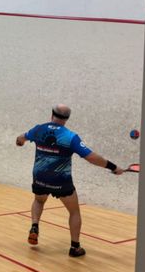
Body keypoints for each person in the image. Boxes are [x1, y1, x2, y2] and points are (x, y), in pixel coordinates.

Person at [16, 104, 124, 257]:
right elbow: (91, 157)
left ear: (51, 114)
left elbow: (20, 138)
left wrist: (20, 142)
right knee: (74, 212)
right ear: (67, 119)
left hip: (40, 177)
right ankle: (75, 247)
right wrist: (113, 167)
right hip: (61, 181)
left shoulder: (38, 129)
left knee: (39, 200)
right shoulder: (70, 136)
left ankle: (34, 226)